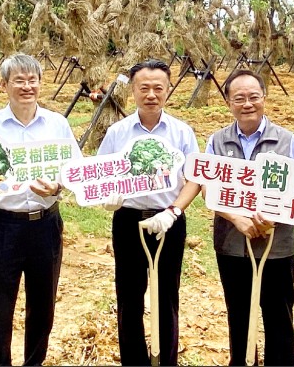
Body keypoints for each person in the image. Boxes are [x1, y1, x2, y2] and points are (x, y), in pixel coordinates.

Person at [158, 68, 294, 366]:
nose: (247, 104)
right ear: (228, 102)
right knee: (239, 313)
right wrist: (238, 219)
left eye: (254, 97)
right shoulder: (217, 142)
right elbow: (208, 189)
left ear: (264, 99)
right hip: (231, 244)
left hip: (276, 245)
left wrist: (271, 218)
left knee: (278, 315)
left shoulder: (288, 140)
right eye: (239, 98)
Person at [0, 53, 81, 366]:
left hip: (45, 225)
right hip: (5, 225)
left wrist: (58, 186)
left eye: (32, 80)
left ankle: (34, 362)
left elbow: (72, 169)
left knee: (43, 303)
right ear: (4, 84)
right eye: (19, 80)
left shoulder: (57, 124)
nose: (26, 86)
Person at [97, 58, 199, 366]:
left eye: (158, 88)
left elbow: (195, 179)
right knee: (129, 296)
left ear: (168, 90)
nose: (151, 94)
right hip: (128, 220)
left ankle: (165, 360)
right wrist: (108, 198)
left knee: (167, 295)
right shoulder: (118, 132)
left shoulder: (182, 132)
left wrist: (173, 211)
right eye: (144, 88)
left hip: (169, 220)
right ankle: (134, 361)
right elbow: (101, 173)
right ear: (133, 90)